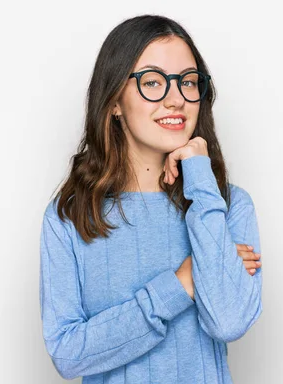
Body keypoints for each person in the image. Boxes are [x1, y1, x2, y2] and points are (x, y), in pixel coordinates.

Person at [39, 14, 263, 383]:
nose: (176, 100)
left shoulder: (225, 204)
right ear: (114, 101)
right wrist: (182, 283)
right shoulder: (71, 214)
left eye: (188, 82)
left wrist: (199, 172)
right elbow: (68, 354)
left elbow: (228, 321)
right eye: (153, 82)